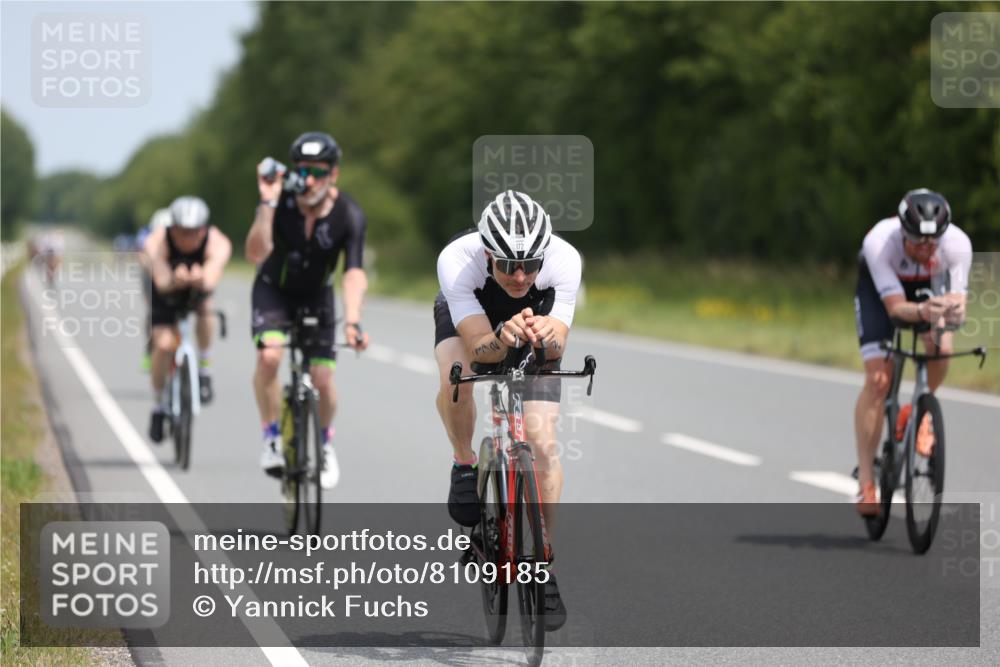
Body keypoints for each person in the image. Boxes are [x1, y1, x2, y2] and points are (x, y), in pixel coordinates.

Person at [434, 189, 581, 630]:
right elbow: (480, 349)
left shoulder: (563, 260)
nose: (520, 276)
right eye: (508, 265)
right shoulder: (458, 261)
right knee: (456, 375)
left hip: (533, 319)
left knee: (542, 443)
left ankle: (545, 562)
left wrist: (540, 333)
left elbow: (558, 343)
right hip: (476, 317)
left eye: (529, 266)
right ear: (486, 254)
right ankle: (464, 462)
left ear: (544, 257)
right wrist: (504, 336)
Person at [245, 131, 370, 489]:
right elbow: (255, 254)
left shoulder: (349, 213)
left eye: (318, 171)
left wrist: (354, 322)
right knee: (269, 357)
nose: (309, 180)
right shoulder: (279, 201)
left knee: (323, 377)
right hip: (273, 291)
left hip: (317, 296)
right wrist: (267, 204)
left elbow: (354, 272)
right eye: (302, 171)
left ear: (334, 174)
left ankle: (325, 444)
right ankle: (271, 436)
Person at [853, 188, 971, 515]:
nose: (925, 248)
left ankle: (920, 411)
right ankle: (866, 481)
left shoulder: (957, 244)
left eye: (932, 242)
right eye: (917, 240)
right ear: (902, 230)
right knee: (879, 379)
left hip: (930, 286)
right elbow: (894, 309)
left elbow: (960, 307)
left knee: (942, 348)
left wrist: (950, 310)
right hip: (882, 295)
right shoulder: (879, 241)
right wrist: (923, 312)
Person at [144, 196, 232, 442]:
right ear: (172, 228)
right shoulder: (157, 241)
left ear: (203, 229)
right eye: (182, 232)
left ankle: (204, 367)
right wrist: (175, 279)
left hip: (198, 287)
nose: (187, 238)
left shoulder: (217, 242)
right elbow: (161, 281)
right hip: (166, 293)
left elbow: (212, 276)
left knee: (206, 310)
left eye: (194, 232)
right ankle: (158, 406)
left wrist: (199, 277)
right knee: (162, 345)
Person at [137, 208, 174, 372]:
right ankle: (149, 350)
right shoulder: (146, 234)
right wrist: (154, 269)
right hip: (150, 275)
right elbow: (142, 255)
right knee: (152, 312)